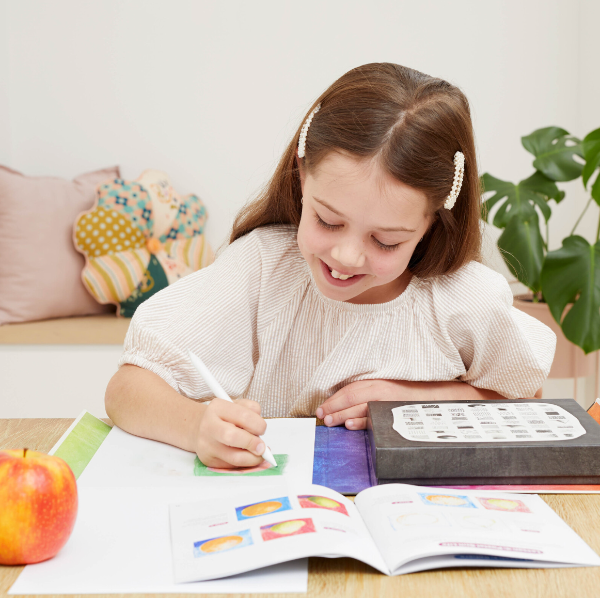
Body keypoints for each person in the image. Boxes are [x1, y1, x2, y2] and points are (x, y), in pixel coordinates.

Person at [105, 62, 556, 470]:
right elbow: (126, 390)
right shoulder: (262, 267)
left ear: (431, 223)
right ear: (303, 176)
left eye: (385, 240)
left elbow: (523, 396)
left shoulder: (464, 299)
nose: (346, 257)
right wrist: (196, 426)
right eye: (327, 220)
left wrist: (414, 399)